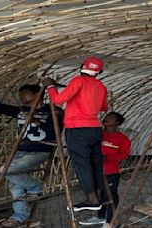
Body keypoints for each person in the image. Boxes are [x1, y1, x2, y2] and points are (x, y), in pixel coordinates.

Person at [42, 56, 108, 211]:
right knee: (96, 164)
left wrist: (50, 87)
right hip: (95, 129)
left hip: (77, 129)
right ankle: (97, 196)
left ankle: (91, 200)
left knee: (82, 164)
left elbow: (58, 100)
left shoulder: (78, 81)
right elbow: (104, 107)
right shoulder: (101, 86)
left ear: (81, 66)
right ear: (99, 72)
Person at [0, 85, 63, 227]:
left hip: (40, 150)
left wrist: (36, 121)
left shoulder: (53, 111)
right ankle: (19, 217)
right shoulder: (21, 111)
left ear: (38, 94)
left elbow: (55, 131)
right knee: (15, 184)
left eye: (24, 94)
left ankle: (36, 185)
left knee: (5, 170)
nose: (21, 97)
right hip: (20, 151)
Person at [79, 112, 131, 227]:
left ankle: (110, 221)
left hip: (111, 171)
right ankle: (100, 217)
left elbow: (124, 154)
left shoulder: (122, 139)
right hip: (96, 171)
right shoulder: (98, 135)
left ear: (117, 123)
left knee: (111, 195)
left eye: (111, 117)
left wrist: (108, 157)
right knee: (99, 196)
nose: (107, 118)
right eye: (107, 116)